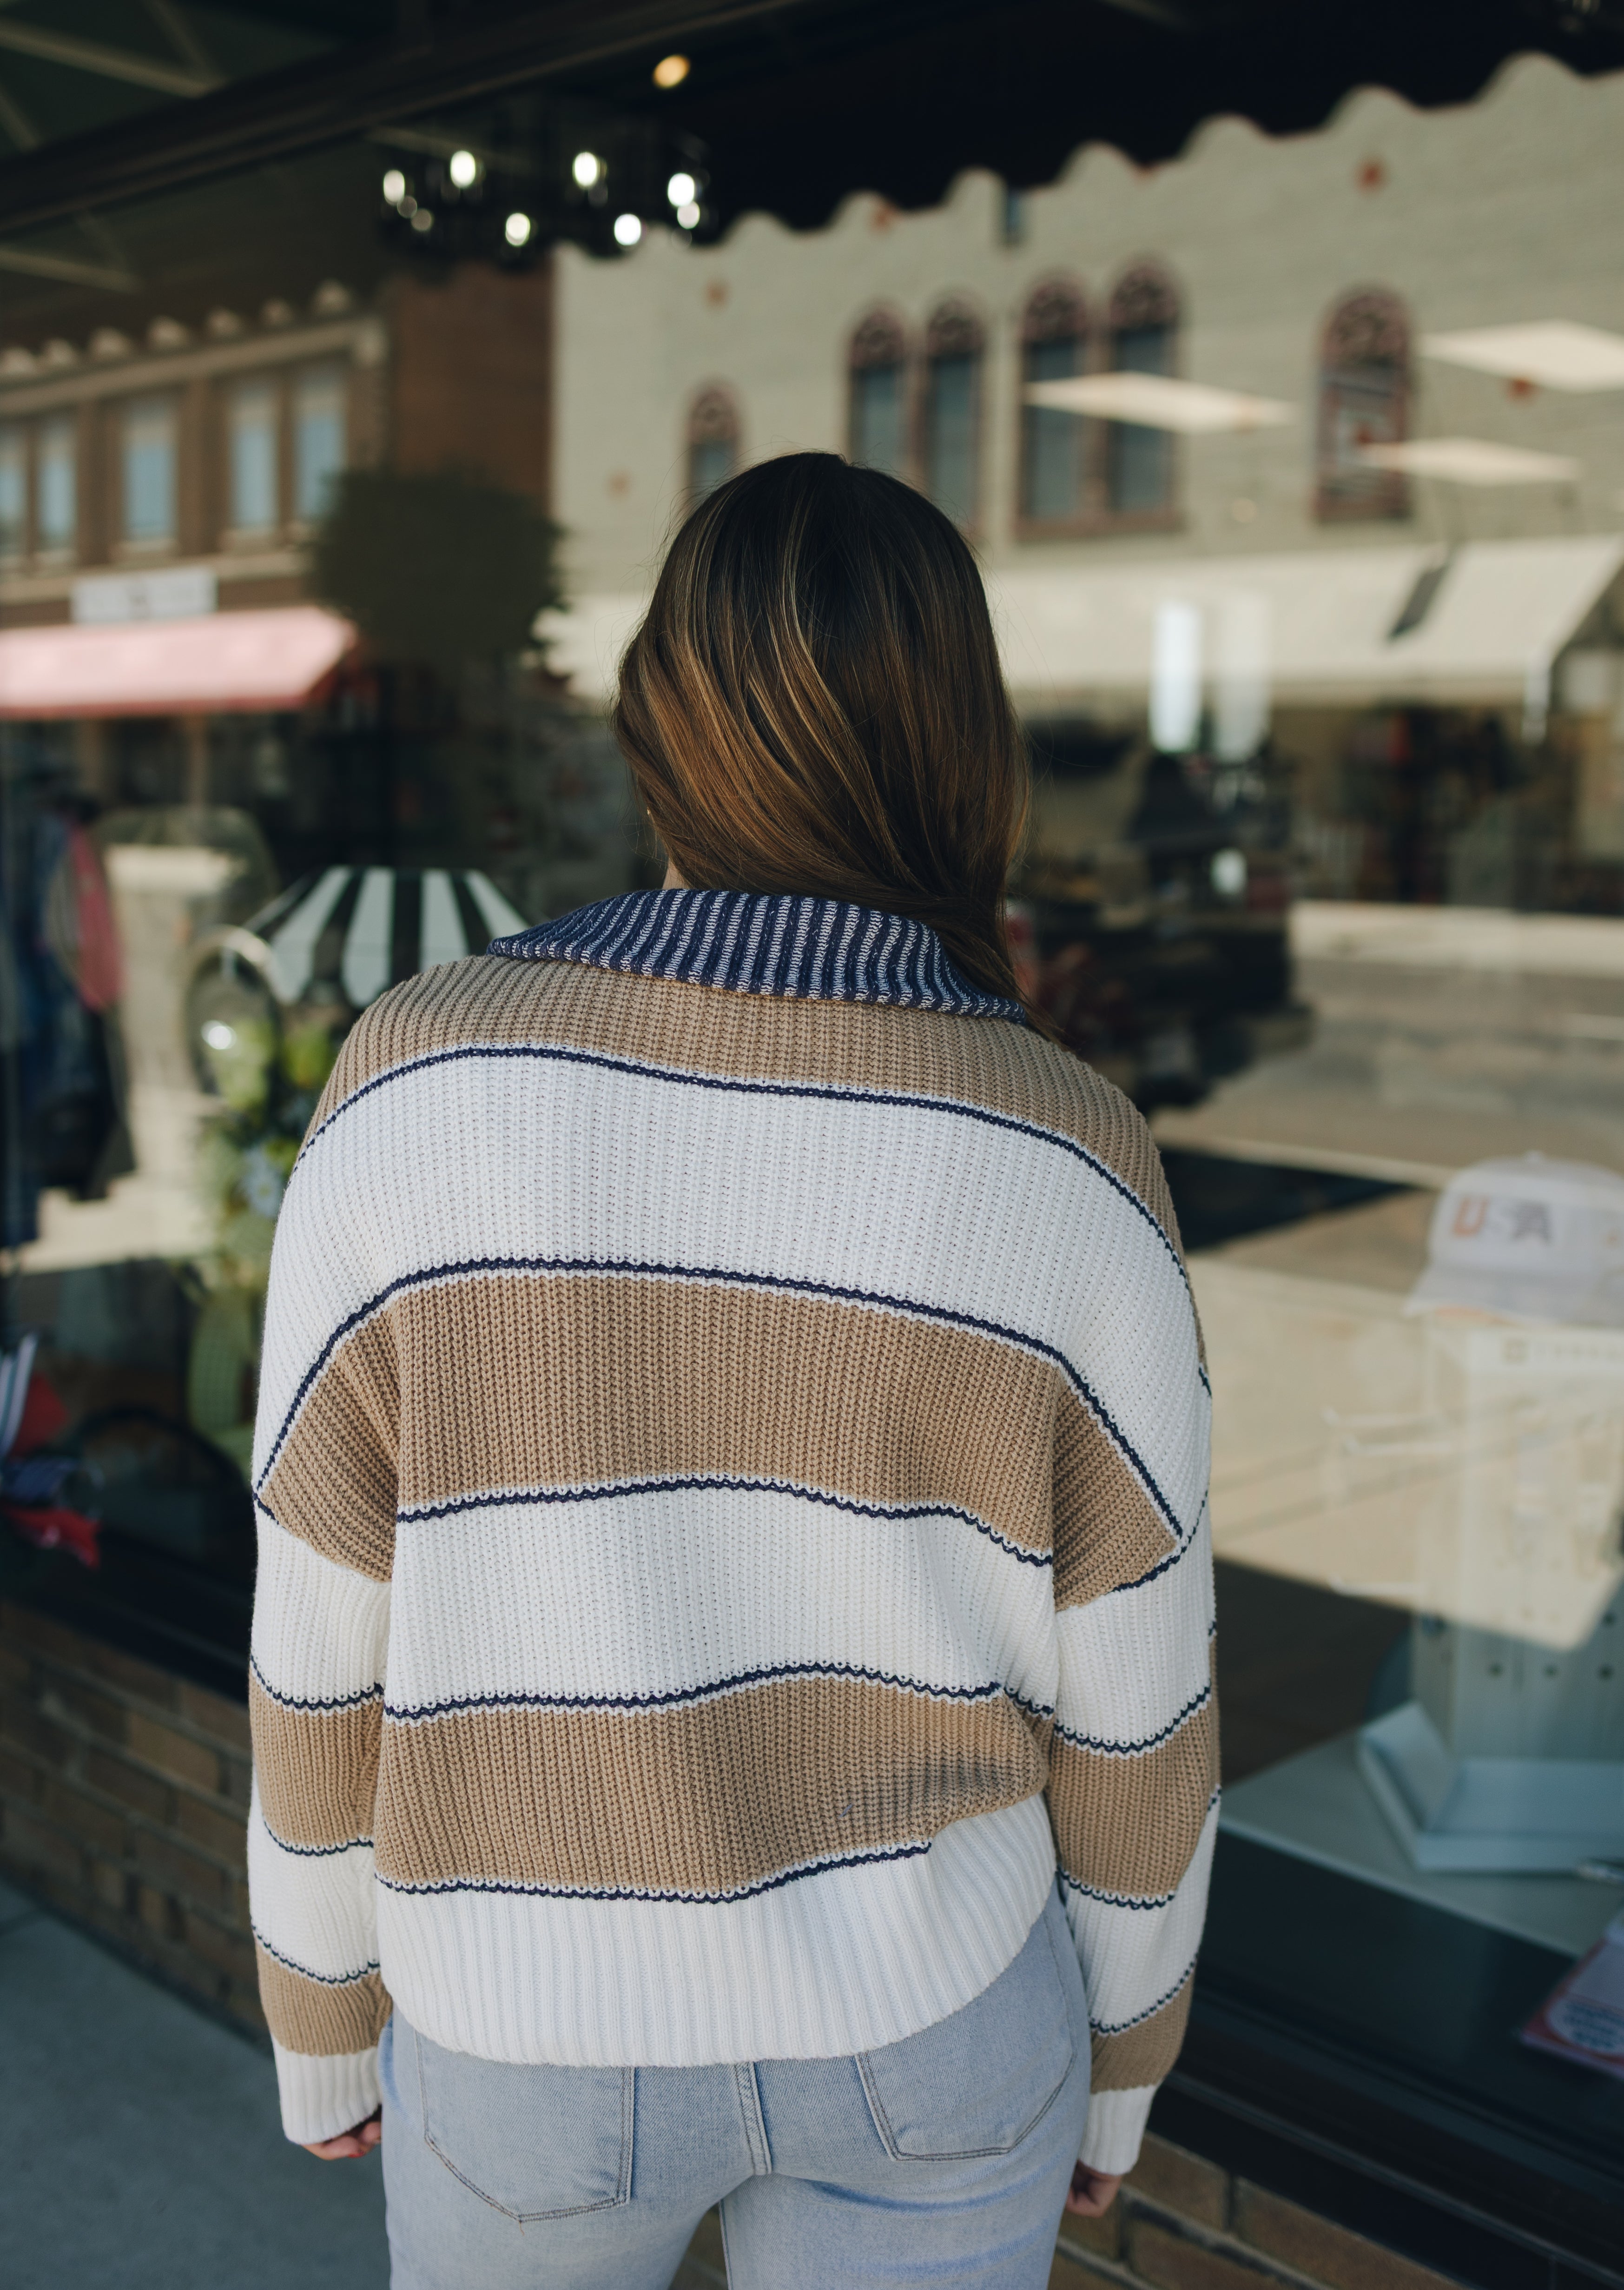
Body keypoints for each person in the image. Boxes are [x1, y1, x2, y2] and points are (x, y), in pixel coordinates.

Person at [247, 452, 1215, 2289]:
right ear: (969, 750)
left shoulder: (422, 1080)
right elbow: (1140, 1707)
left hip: (521, 2017)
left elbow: (322, 1631)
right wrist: (1121, 2064)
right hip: (942, 2018)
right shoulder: (1074, 1156)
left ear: (655, 727)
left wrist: (318, 2008)